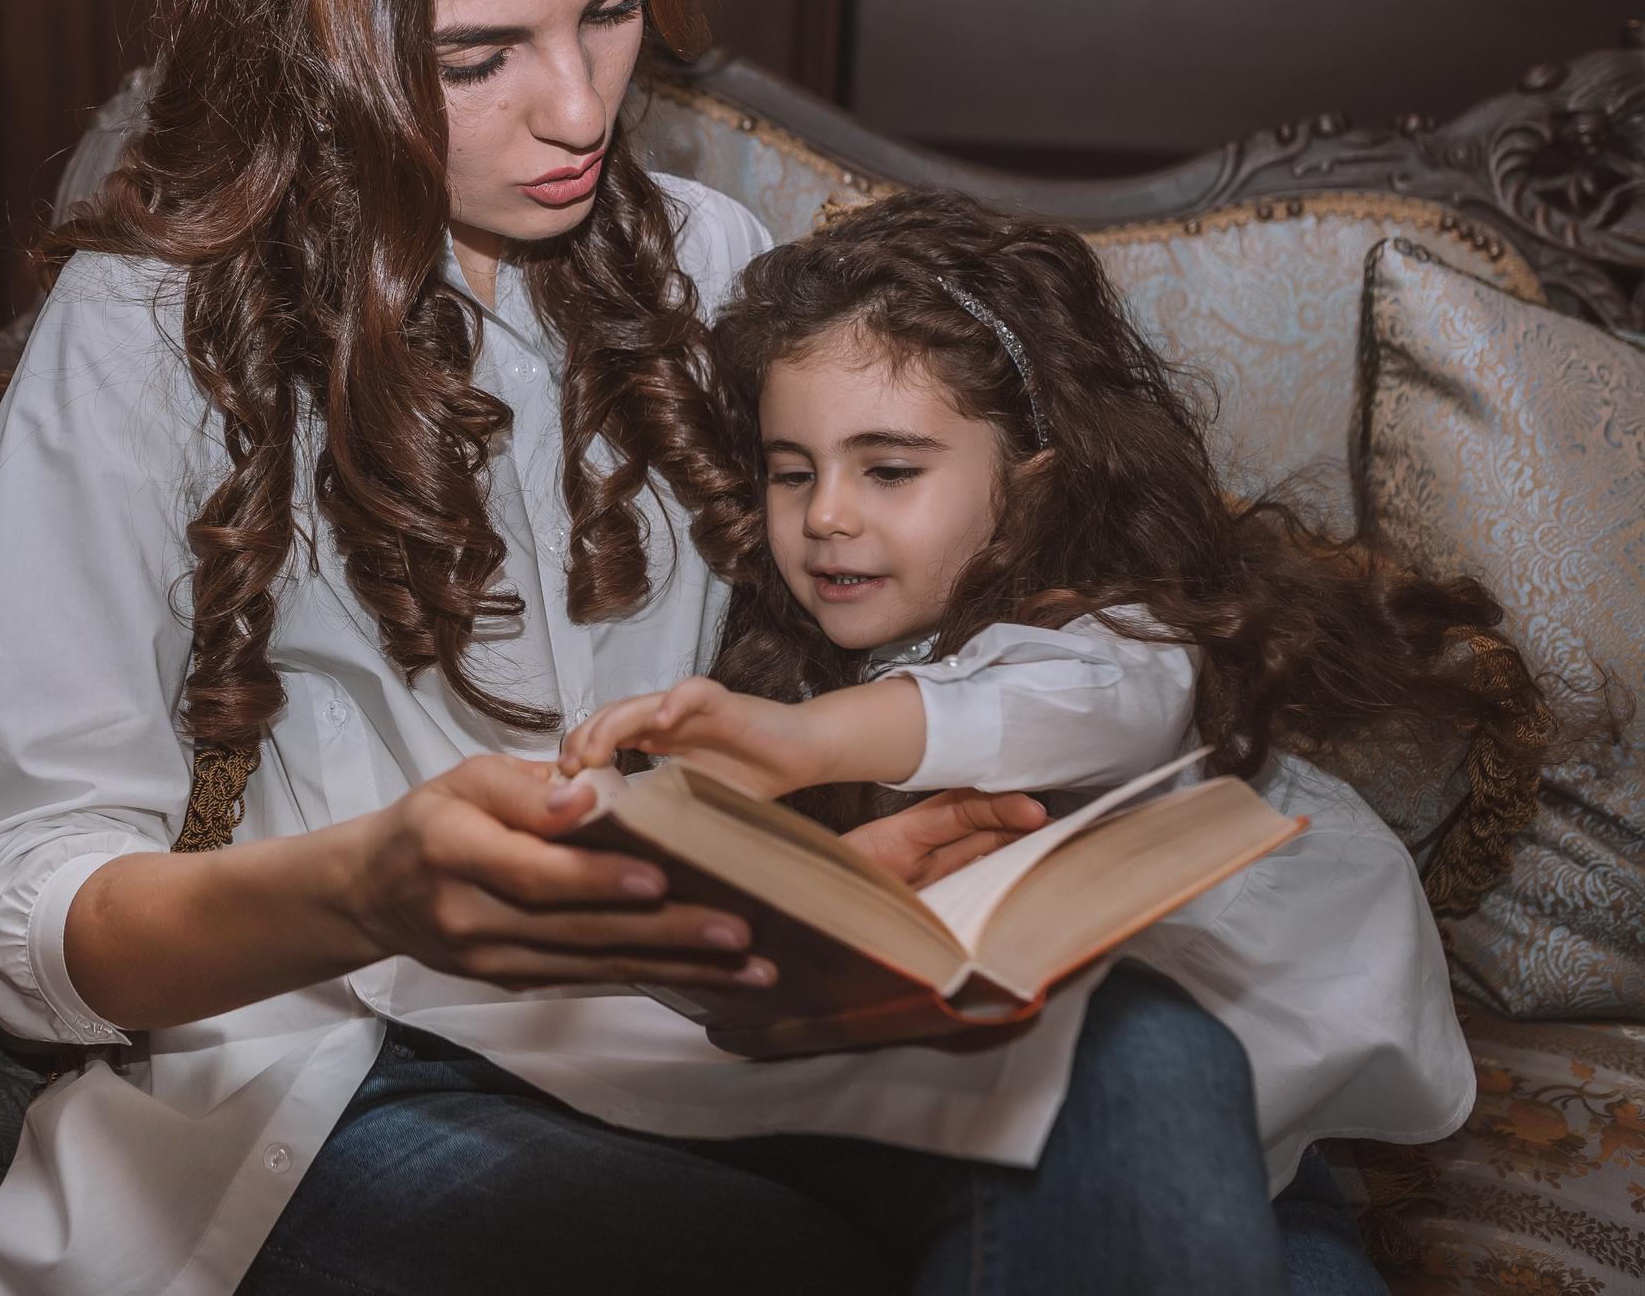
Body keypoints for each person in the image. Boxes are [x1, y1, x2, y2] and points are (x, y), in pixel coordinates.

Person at [0, 0, 1381, 1296]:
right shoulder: (146, 327)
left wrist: (819, 893)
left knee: (1161, 1063)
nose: (579, 108)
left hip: (688, 1028)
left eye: (612, 5)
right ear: (310, 35)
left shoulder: (709, 257)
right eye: (477, 54)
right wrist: (372, 885)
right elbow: (25, 920)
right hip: (348, 1065)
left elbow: (829, 649)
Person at [565, 189, 1559, 1191]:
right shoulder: (779, 659)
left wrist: (812, 743)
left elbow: (1072, 707)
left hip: (1224, 1089)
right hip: (964, 1109)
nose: (825, 515)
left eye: (890, 470)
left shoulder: (1118, 633)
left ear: (1031, 485)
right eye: (792, 473)